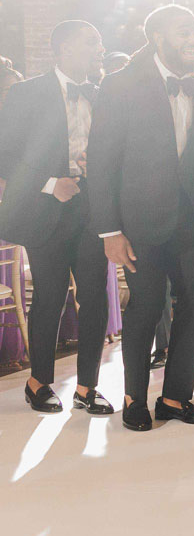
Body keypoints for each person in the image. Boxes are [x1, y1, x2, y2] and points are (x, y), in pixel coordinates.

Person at [87, 4, 194, 432]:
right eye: (184, 33)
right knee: (145, 308)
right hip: (139, 222)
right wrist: (110, 229)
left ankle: (176, 397)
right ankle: (133, 399)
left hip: (191, 220)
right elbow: (102, 161)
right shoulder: (121, 84)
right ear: (158, 38)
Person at [0, 21, 113, 415]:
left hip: (93, 208)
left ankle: (87, 386)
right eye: (91, 42)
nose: (100, 49)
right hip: (45, 208)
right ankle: (38, 382)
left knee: (95, 298)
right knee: (49, 296)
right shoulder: (26, 93)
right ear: (63, 49)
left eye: (101, 43)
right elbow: (6, 154)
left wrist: (95, 166)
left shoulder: (102, 95)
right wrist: (51, 183)